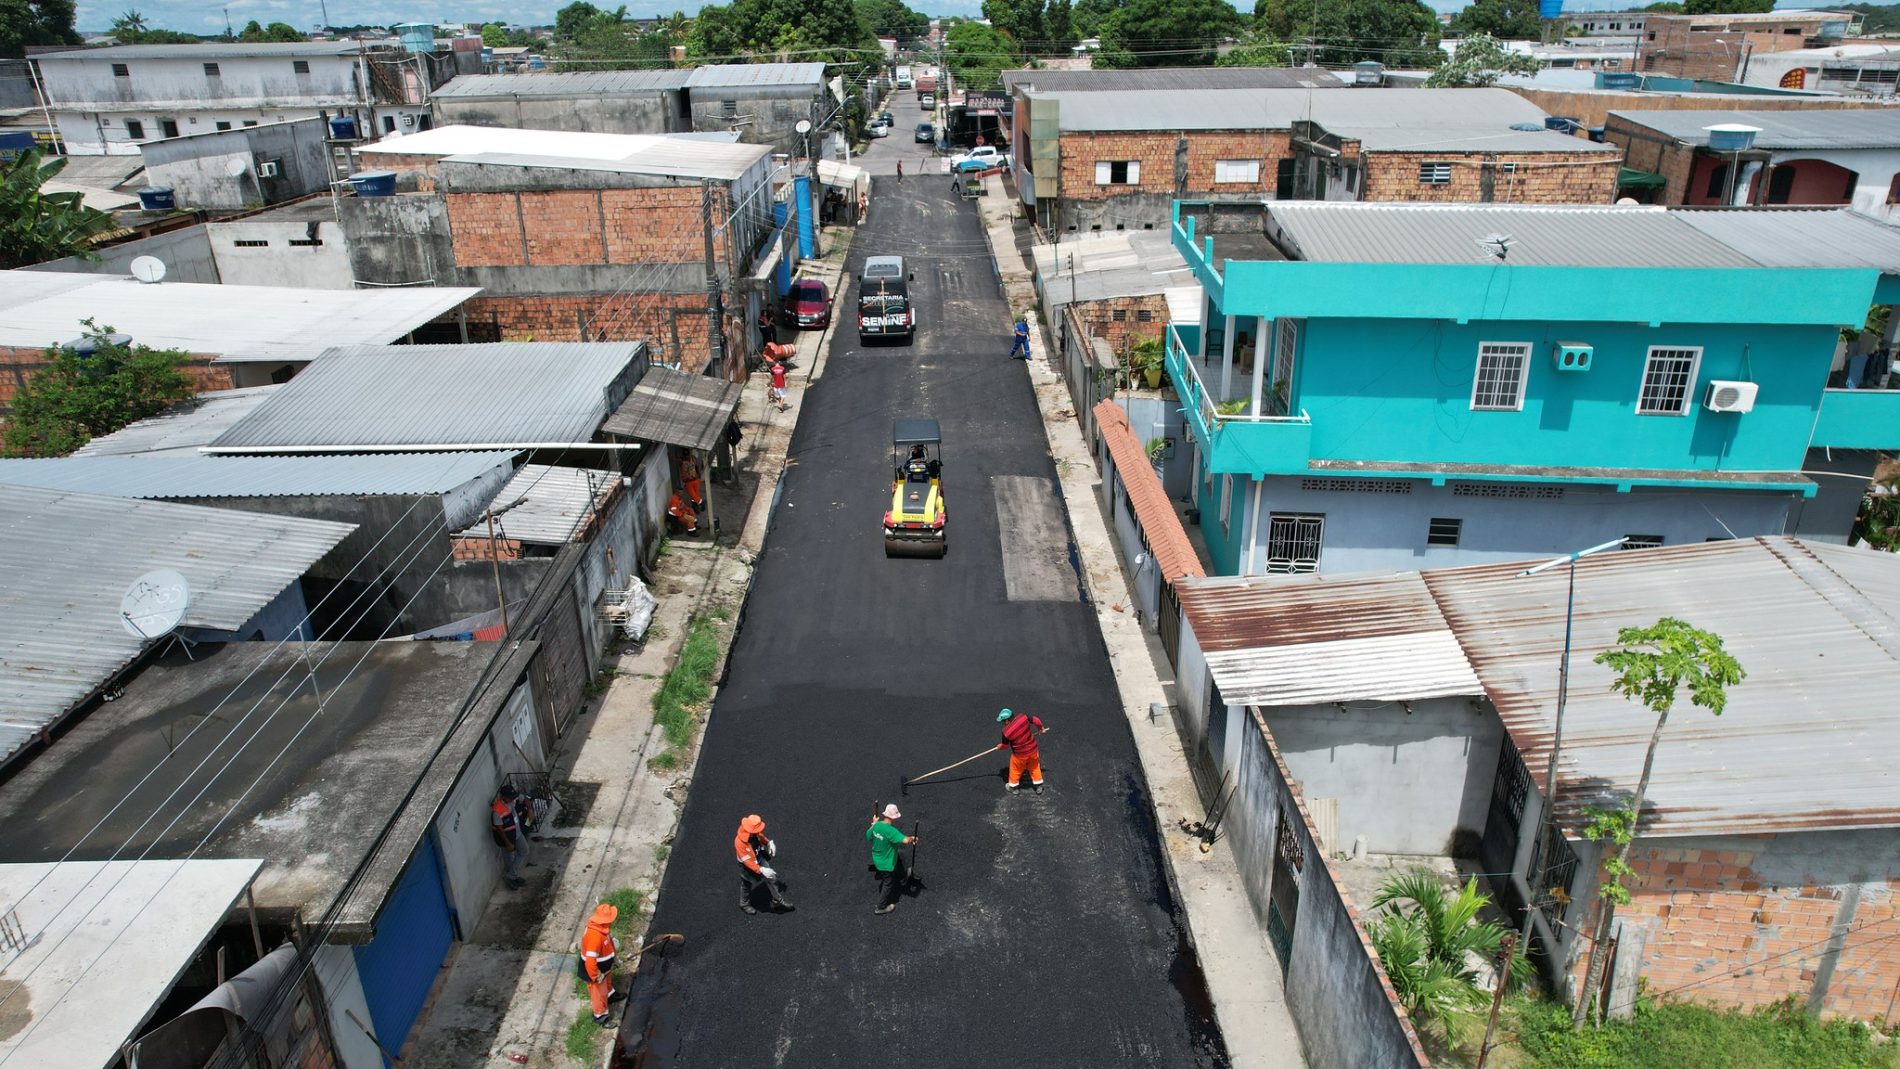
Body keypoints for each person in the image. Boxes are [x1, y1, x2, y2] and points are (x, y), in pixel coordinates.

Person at [735, 814, 794, 914]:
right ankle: (744, 904)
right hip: (747, 866)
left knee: (771, 877)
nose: (759, 831)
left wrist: (769, 843)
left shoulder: (754, 833)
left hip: (758, 858)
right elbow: (748, 862)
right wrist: (761, 870)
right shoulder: (740, 843)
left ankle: (777, 901)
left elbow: (761, 837)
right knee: (746, 884)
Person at [579, 902, 624, 1027]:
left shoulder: (603, 930)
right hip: (594, 970)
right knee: (598, 993)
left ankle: (610, 995)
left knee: (607, 983)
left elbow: (609, 945)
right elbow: (590, 960)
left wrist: (614, 959)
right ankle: (601, 1016)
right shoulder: (594, 936)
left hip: (604, 967)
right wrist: (596, 975)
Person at [866, 803, 915, 915]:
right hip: (886, 863)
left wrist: (873, 823)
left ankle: (903, 878)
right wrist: (913, 838)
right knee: (888, 883)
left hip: (877, 857)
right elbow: (906, 840)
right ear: (893, 817)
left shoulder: (876, 826)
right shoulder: (891, 831)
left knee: (897, 858)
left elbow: (868, 836)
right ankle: (880, 907)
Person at [997, 707, 1047, 792]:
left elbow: (1005, 746)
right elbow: (1036, 720)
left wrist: (999, 746)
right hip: (1033, 751)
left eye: (1002, 721)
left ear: (1007, 721)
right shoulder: (1023, 717)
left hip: (1020, 756)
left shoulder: (1006, 732)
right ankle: (1039, 786)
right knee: (1034, 767)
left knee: (1015, 769)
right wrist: (1040, 728)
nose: (1003, 723)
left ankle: (1013, 788)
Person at [492, 783, 529, 887]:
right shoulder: (497, 811)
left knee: (524, 851)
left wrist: (530, 810)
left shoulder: (512, 799)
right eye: (510, 797)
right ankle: (512, 877)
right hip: (507, 838)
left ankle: (511, 876)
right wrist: (508, 843)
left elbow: (524, 798)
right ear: (504, 797)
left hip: (517, 834)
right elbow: (499, 829)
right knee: (509, 859)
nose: (513, 798)